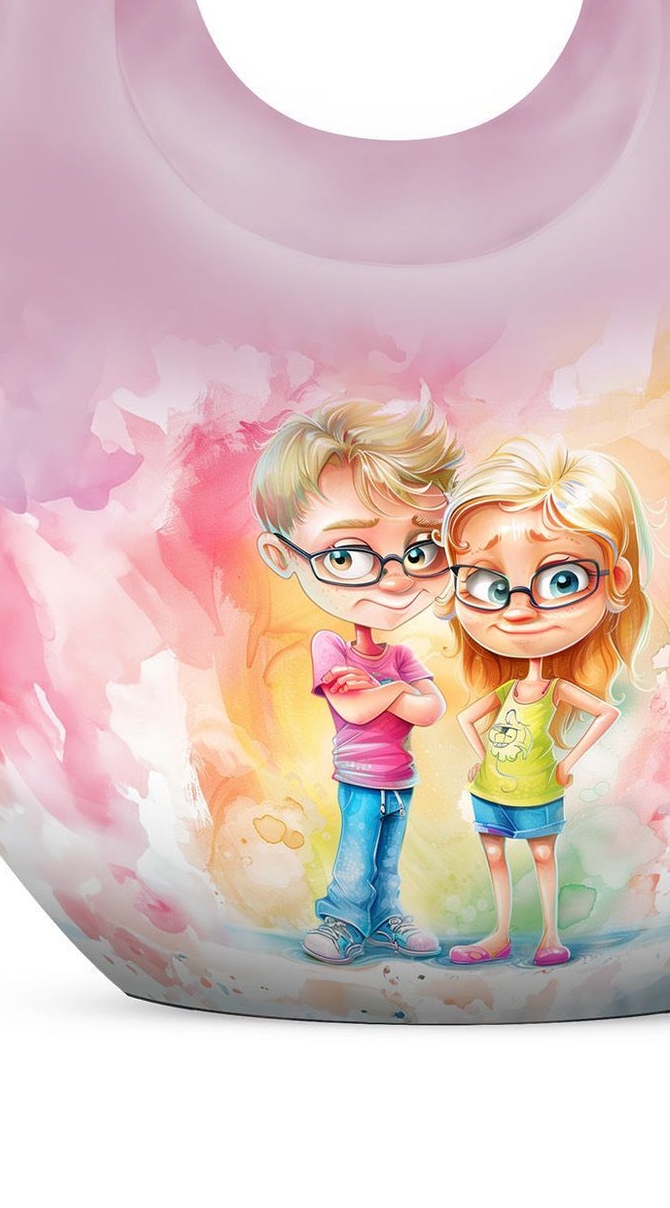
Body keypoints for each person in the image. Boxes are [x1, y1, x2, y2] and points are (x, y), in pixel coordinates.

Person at [252, 399, 462, 964]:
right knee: (355, 854)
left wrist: (386, 691)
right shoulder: (331, 645)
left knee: (388, 859)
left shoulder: (400, 654)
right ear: (282, 554)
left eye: (421, 550)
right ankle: (343, 920)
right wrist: (397, 693)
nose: (396, 581)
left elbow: (430, 710)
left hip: (401, 776)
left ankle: (386, 917)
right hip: (361, 776)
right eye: (346, 556)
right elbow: (358, 711)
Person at [443, 436, 652, 967]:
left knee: (541, 856)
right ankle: (499, 934)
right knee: (494, 854)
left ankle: (550, 937)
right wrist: (480, 756)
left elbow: (606, 712)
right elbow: (468, 718)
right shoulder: (505, 690)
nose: (517, 611)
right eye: (488, 584)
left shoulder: (557, 690)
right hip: (492, 787)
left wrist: (568, 762)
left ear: (616, 581)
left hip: (538, 788)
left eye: (562, 580)